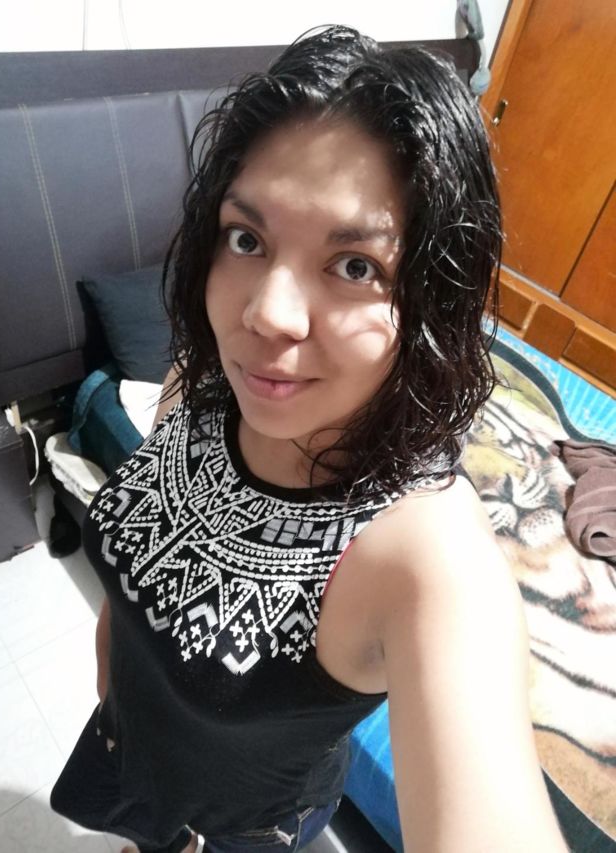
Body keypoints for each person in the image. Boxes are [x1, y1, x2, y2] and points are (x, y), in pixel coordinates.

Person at [51, 25, 569, 853]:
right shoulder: (202, 384)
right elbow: (133, 589)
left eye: (356, 264)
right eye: (247, 239)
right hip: (133, 759)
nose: (266, 315)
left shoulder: (424, 556)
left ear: (430, 299)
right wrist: (114, 706)